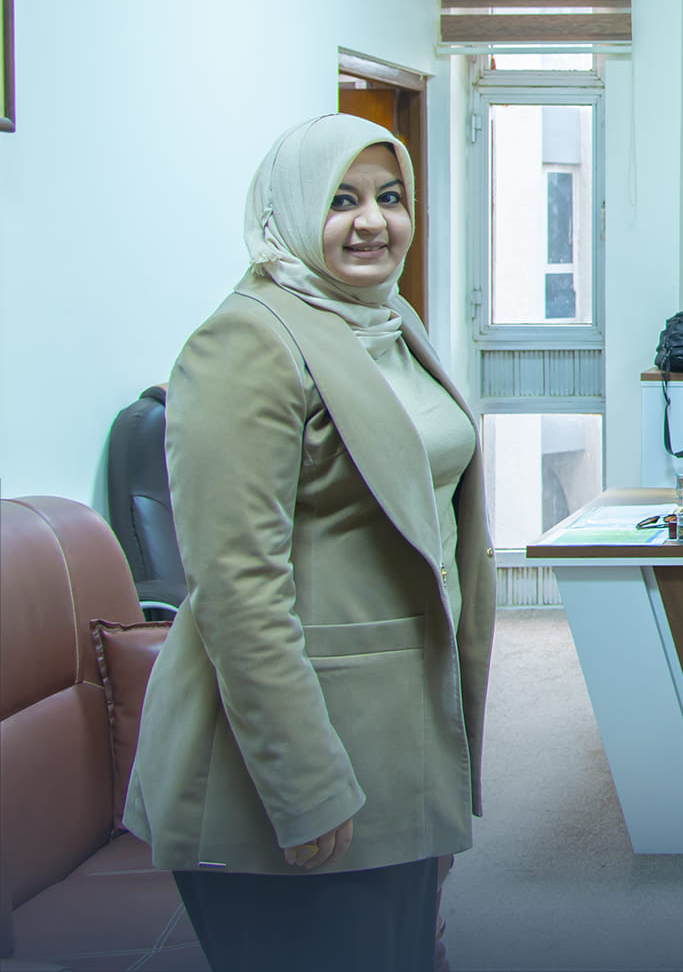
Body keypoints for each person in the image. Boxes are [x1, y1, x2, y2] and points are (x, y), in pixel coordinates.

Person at [124, 114, 495, 972]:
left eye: (390, 197)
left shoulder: (384, 318)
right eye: (340, 200)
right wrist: (304, 785)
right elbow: (236, 588)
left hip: (396, 737)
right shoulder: (246, 339)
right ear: (288, 210)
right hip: (293, 755)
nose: (373, 222)